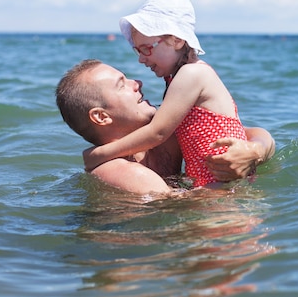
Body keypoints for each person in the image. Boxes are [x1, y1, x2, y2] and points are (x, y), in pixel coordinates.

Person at [83, 0, 264, 187]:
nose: (141, 59)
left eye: (146, 48)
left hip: (221, 187)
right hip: (216, 186)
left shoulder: (192, 74)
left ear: (177, 40)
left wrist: (100, 154)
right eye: (137, 50)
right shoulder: (179, 78)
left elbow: (157, 132)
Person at [56, 59, 275, 195]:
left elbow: (256, 134)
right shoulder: (117, 171)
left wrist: (254, 151)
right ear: (101, 117)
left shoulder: (165, 133)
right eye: (122, 84)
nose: (137, 83)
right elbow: (183, 205)